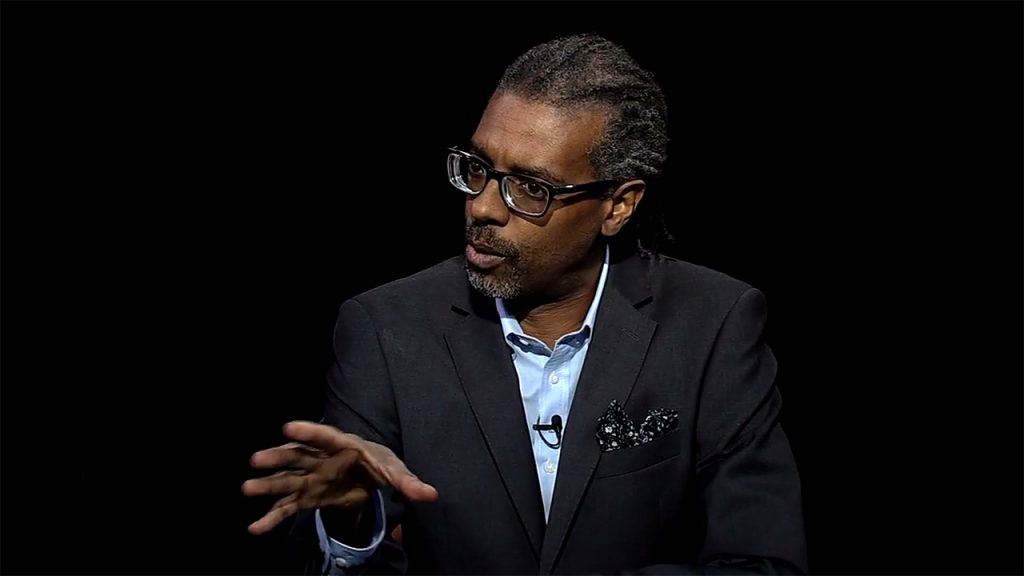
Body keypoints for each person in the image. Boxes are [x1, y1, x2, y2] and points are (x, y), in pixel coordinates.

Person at [242, 33, 807, 575]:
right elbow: (330, 554)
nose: (483, 207)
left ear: (618, 205)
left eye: (531, 188)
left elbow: (762, 561)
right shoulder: (385, 329)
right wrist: (349, 520)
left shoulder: (713, 324)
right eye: (480, 168)